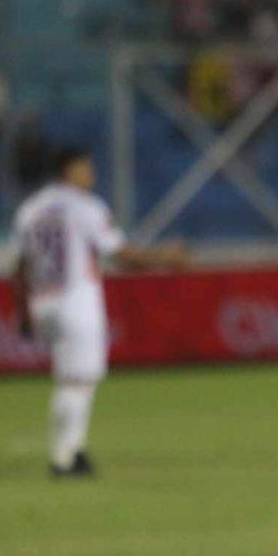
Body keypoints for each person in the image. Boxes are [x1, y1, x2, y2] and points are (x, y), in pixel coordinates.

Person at [11, 147, 187, 476]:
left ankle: (73, 450)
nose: (91, 175)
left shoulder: (30, 209)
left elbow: (19, 266)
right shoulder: (84, 207)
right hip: (76, 298)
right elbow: (119, 254)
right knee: (80, 381)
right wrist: (165, 258)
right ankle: (64, 457)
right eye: (86, 168)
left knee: (68, 379)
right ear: (70, 169)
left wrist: (22, 311)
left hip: (43, 300)